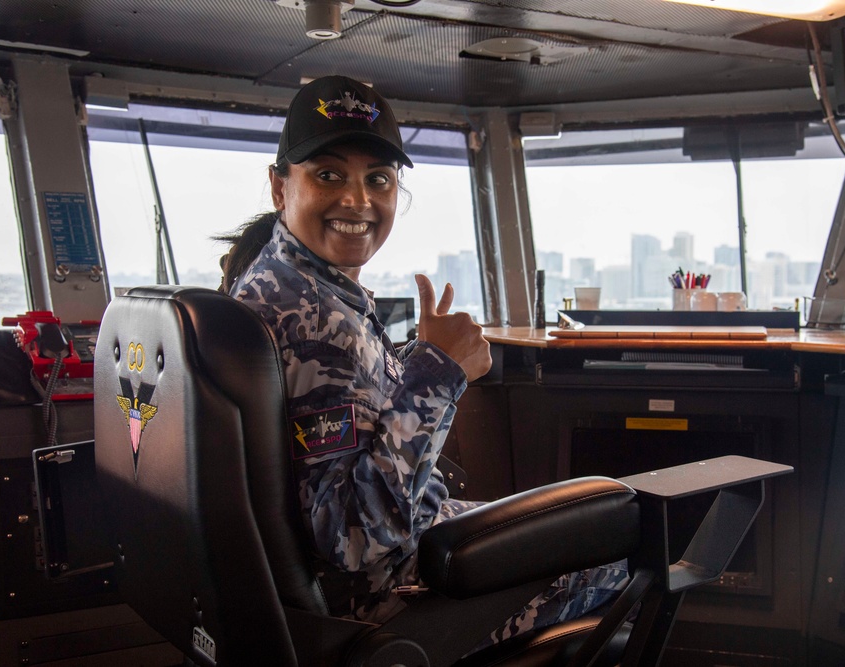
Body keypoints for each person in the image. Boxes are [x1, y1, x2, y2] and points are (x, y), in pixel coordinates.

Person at [220, 75, 628, 647]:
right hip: (383, 606)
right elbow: (355, 540)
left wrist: (418, 362)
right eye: (329, 175)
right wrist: (439, 371)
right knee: (611, 555)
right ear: (279, 187)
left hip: (349, 577)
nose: (357, 201)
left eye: (378, 180)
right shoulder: (319, 322)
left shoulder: (270, 283)